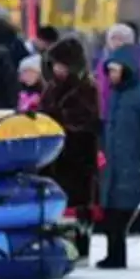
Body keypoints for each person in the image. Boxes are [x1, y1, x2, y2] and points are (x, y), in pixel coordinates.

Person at [99, 44, 140, 269]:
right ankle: (115, 255)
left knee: (126, 213)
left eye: (115, 70)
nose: (111, 75)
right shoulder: (116, 95)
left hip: (136, 162)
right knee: (113, 213)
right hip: (116, 163)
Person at [41, 38, 102, 261]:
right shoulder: (51, 88)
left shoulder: (86, 88)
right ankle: (62, 246)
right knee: (60, 201)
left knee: (77, 202)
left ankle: (80, 247)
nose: (57, 69)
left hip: (77, 153)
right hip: (55, 154)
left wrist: (58, 120)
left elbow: (86, 120)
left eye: (61, 64)